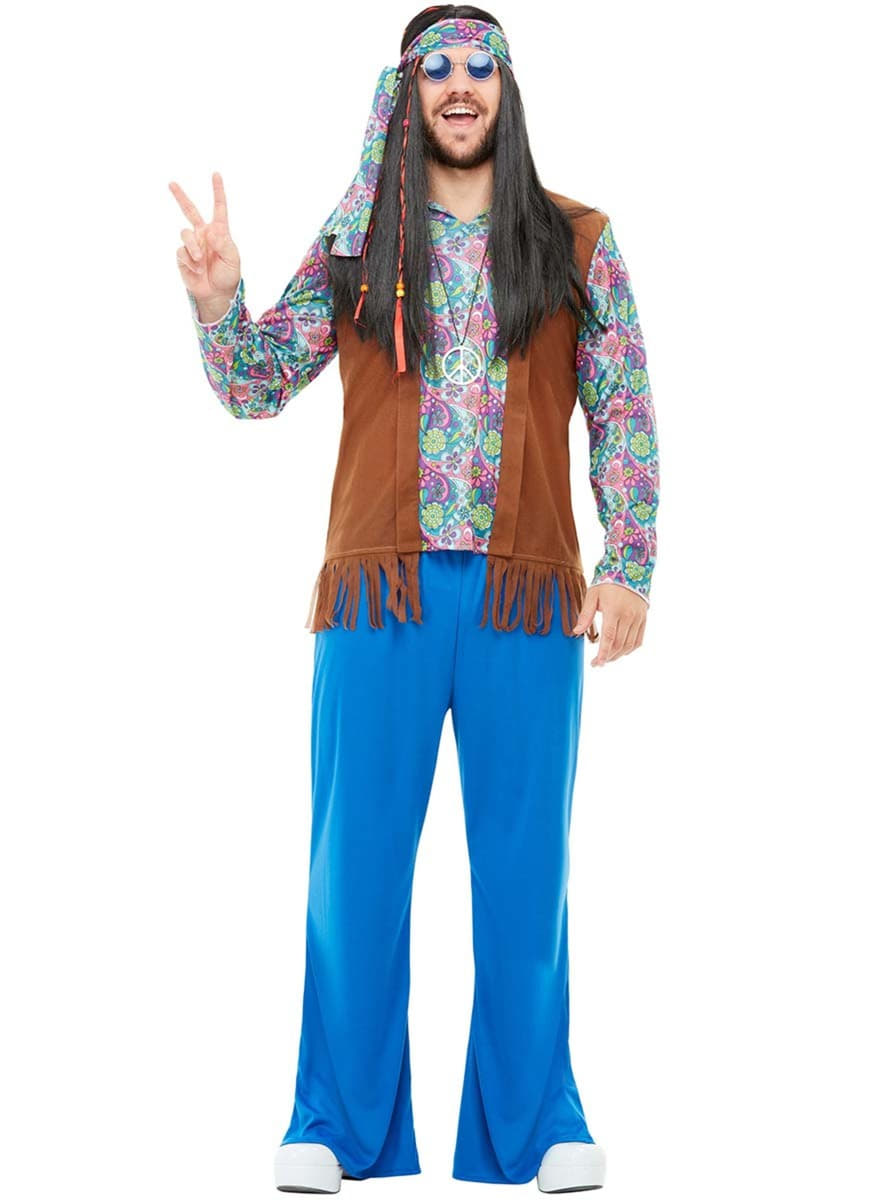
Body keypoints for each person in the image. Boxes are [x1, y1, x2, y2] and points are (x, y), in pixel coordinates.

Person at [170, 5, 659, 1192]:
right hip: (375, 596)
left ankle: (537, 1125)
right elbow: (255, 384)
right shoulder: (356, 245)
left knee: (526, 876)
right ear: (404, 93)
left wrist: (629, 562)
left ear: (506, 88)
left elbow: (623, 410)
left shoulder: (577, 241)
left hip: (525, 603)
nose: (458, 83)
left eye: (479, 64)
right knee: (354, 872)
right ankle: (334, 1123)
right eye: (435, 66)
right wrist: (218, 301)